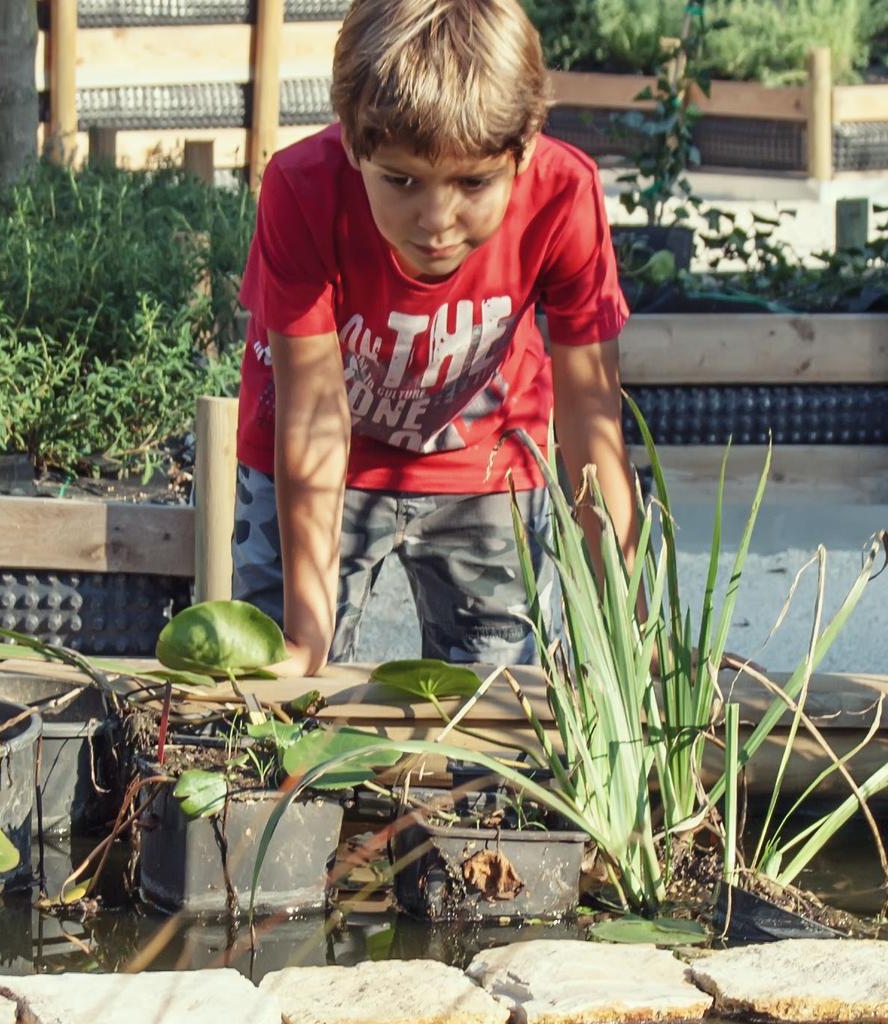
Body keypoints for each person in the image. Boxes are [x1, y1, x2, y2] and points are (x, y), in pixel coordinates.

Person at [232, 0, 637, 677]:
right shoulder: (302, 191)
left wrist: (631, 626)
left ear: (526, 145)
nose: (437, 220)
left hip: (487, 467)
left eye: (473, 182)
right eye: (402, 181)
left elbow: (591, 415)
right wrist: (305, 641)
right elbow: (312, 415)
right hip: (311, 463)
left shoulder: (564, 196)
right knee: (281, 690)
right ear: (355, 143)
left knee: (499, 707)